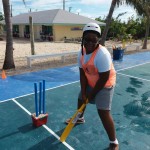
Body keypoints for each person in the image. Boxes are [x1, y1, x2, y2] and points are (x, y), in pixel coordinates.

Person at [66, 22, 119, 150]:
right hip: (91, 80)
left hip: (105, 84)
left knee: (103, 112)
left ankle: (114, 142)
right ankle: (80, 118)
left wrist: (91, 95)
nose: (89, 43)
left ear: (98, 40)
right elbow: (82, 74)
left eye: (93, 40)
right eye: (87, 39)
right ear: (82, 39)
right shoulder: (81, 53)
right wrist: (84, 92)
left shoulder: (103, 55)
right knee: (80, 98)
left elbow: (104, 78)